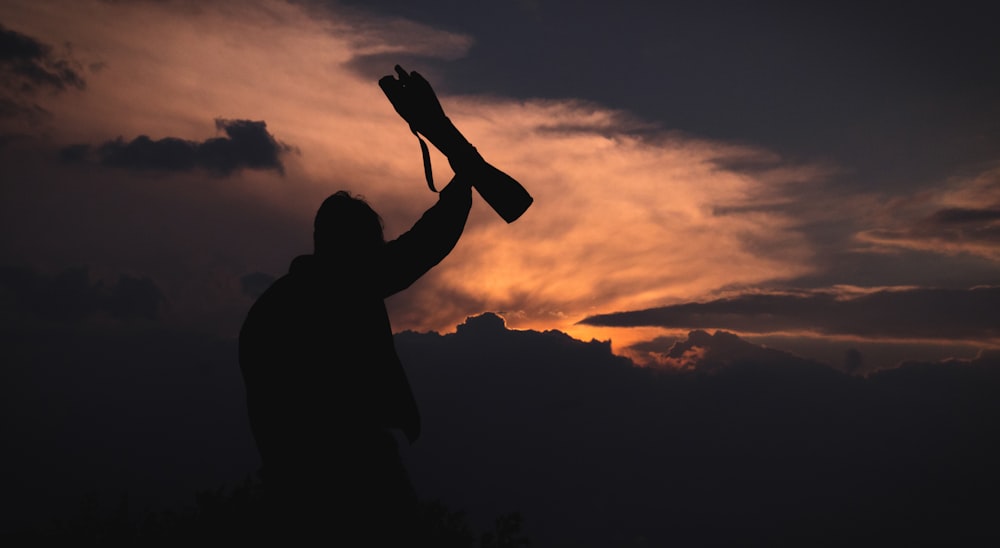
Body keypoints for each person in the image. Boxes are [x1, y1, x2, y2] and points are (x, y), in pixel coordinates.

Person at [238, 66, 482, 544]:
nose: (379, 256)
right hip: (351, 477)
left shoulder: (268, 311)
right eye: (373, 246)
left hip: (289, 485)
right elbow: (421, 246)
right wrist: (463, 180)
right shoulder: (347, 289)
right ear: (355, 249)